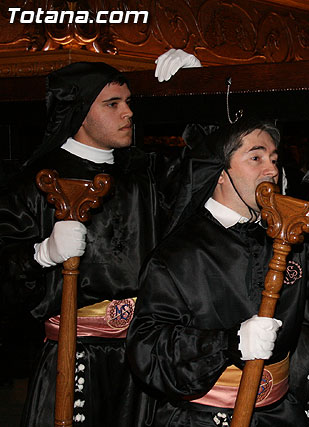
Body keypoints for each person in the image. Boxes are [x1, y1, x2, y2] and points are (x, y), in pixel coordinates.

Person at [0, 61, 177, 426]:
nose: (128, 112)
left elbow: (205, 182)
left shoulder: (143, 175)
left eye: (128, 102)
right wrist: (40, 254)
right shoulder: (36, 183)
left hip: (140, 352)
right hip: (74, 356)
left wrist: (199, 91)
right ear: (79, 112)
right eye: (112, 103)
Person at [126, 116, 309, 426]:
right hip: (203, 418)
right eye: (256, 157)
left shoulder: (290, 239)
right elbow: (147, 350)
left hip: (281, 414)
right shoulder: (178, 254)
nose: (272, 169)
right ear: (220, 173)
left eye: (274, 158)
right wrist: (228, 342)